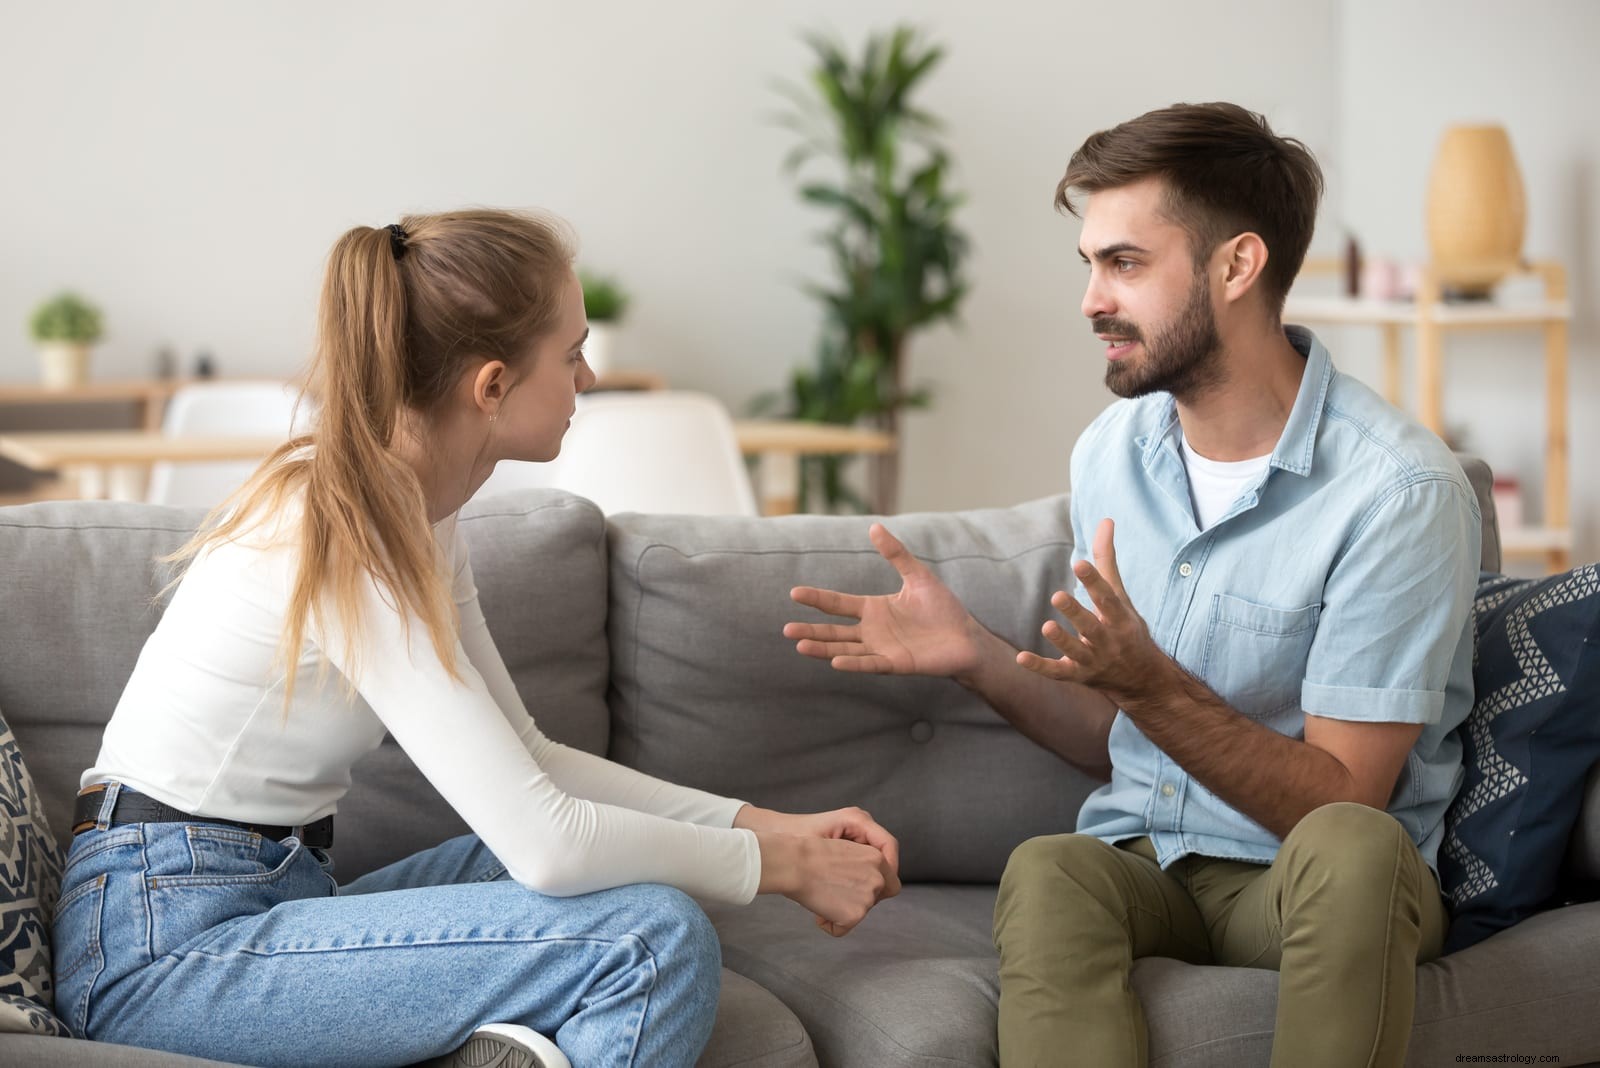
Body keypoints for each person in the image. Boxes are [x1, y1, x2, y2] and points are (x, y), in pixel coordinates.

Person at [54, 209, 901, 1068]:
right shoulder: (348, 524)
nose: (591, 375)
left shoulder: (420, 510)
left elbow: (532, 761)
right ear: (492, 386)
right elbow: (552, 841)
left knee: (610, 878)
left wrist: (767, 824)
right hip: (158, 947)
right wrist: (776, 866)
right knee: (649, 938)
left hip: (262, 895)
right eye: (570, 355)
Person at [783, 103, 1480, 1067]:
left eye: (1125, 263)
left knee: (1359, 853)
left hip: (1306, 882)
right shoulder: (1114, 451)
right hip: (1148, 863)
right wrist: (976, 656)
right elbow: (1118, 731)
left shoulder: (1397, 492)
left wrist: (1146, 680)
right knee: (1053, 868)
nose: (1091, 300)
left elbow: (1340, 806)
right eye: (1090, 264)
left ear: (1236, 267)